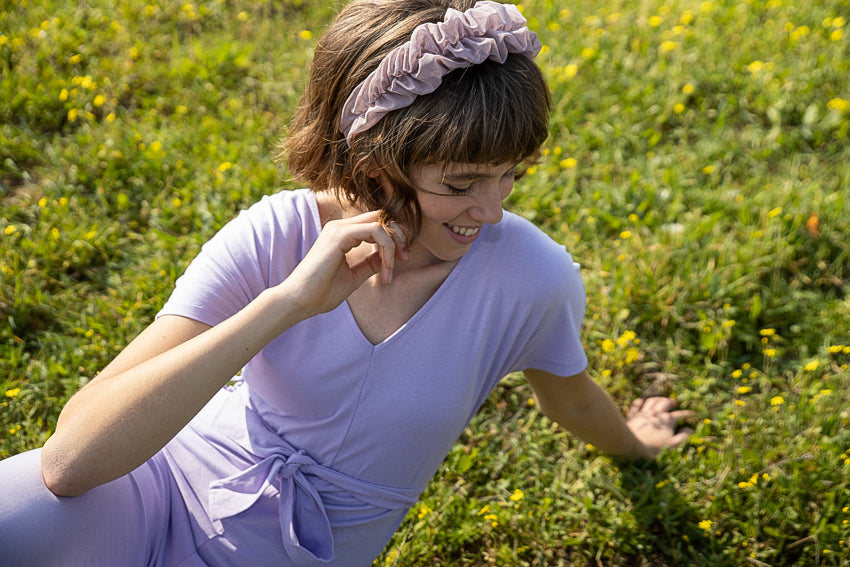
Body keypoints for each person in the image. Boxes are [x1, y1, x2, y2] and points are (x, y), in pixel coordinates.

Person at [0, 1, 693, 565]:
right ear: (375, 158)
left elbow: (568, 397)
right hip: (153, 488)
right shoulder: (278, 234)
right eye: (460, 183)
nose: (492, 208)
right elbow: (69, 462)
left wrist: (634, 443)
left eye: (512, 172)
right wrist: (285, 304)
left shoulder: (530, 278)